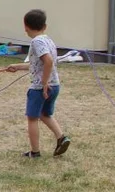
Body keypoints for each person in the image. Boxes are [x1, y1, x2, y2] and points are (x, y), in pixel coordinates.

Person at [6, 9, 70, 158]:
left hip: (41, 88)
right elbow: (39, 64)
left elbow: (48, 61)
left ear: (26, 27)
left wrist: (43, 82)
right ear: (45, 26)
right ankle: (61, 138)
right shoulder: (49, 40)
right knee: (44, 114)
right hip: (54, 86)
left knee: (32, 118)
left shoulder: (36, 42)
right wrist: (17, 66)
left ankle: (35, 152)